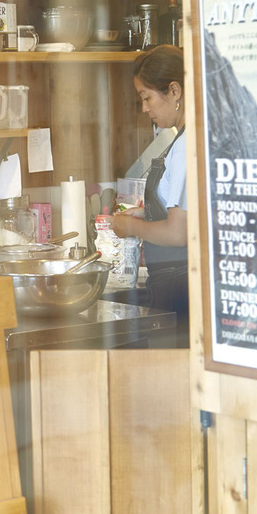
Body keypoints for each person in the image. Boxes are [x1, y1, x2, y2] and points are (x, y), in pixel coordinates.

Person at [109, 44, 189, 337]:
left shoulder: (185, 146)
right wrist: (148, 211)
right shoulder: (186, 138)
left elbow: (178, 233)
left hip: (178, 287)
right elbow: (188, 211)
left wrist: (131, 226)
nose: (145, 108)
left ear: (175, 91)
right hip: (178, 284)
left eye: (147, 97)